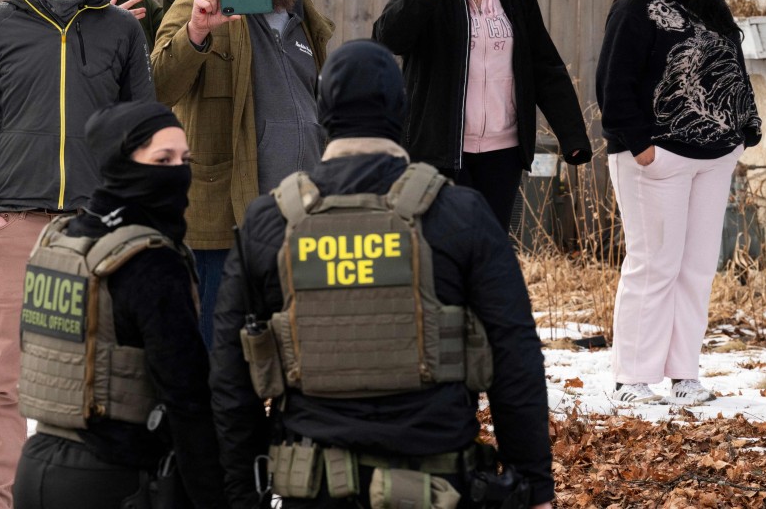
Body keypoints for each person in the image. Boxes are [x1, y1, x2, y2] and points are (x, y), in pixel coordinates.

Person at [210, 39, 554, 509]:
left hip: (311, 490)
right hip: (440, 488)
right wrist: (534, 487)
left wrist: (241, 495)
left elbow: (230, 378)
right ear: (401, 109)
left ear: (323, 109)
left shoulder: (268, 223)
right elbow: (515, 356)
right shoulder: (460, 214)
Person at [0, 0, 153, 509]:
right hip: (14, 221)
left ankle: (78, 496)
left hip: (94, 228)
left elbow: (143, 129)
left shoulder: (121, 31)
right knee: (6, 376)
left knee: (95, 372)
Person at [12, 101, 226, 509]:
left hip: (35, 469)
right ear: (122, 163)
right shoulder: (150, 259)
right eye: (162, 159)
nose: (179, 171)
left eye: (185, 158)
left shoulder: (62, 240)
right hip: (114, 480)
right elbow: (186, 396)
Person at [596, 0, 761, 405]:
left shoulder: (712, 7)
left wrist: (745, 131)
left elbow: (732, 66)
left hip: (713, 157)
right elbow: (613, 82)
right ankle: (634, 378)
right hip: (656, 158)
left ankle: (684, 372)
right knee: (654, 265)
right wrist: (641, 146)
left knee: (695, 266)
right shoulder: (637, 6)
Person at [152, 0, 334, 346]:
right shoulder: (200, 7)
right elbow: (155, 86)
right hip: (226, 223)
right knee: (222, 355)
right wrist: (197, 32)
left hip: (302, 219)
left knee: (295, 353)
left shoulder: (302, 17)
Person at [373, 0, 591, 231]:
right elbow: (387, 38)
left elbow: (544, 65)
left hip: (503, 151)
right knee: (446, 247)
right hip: (440, 151)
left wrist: (572, 137)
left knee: (489, 246)